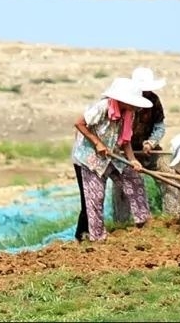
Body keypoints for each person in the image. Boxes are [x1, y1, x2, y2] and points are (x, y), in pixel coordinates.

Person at [72, 77, 152, 242]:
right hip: (90, 157)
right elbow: (79, 123)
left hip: (113, 155)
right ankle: (97, 237)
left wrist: (133, 160)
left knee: (134, 178)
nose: (136, 106)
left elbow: (126, 140)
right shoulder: (103, 107)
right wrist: (97, 143)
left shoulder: (129, 114)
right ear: (123, 100)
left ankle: (143, 221)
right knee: (96, 196)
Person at [112, 66, 170, 221]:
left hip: (148, 150)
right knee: (120, 184)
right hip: (124, 150)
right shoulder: (123, 100)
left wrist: (151, 142)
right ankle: (121, 221)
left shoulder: (154, 100)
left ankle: (171, 216)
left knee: (169, 176)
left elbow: (159, 125)